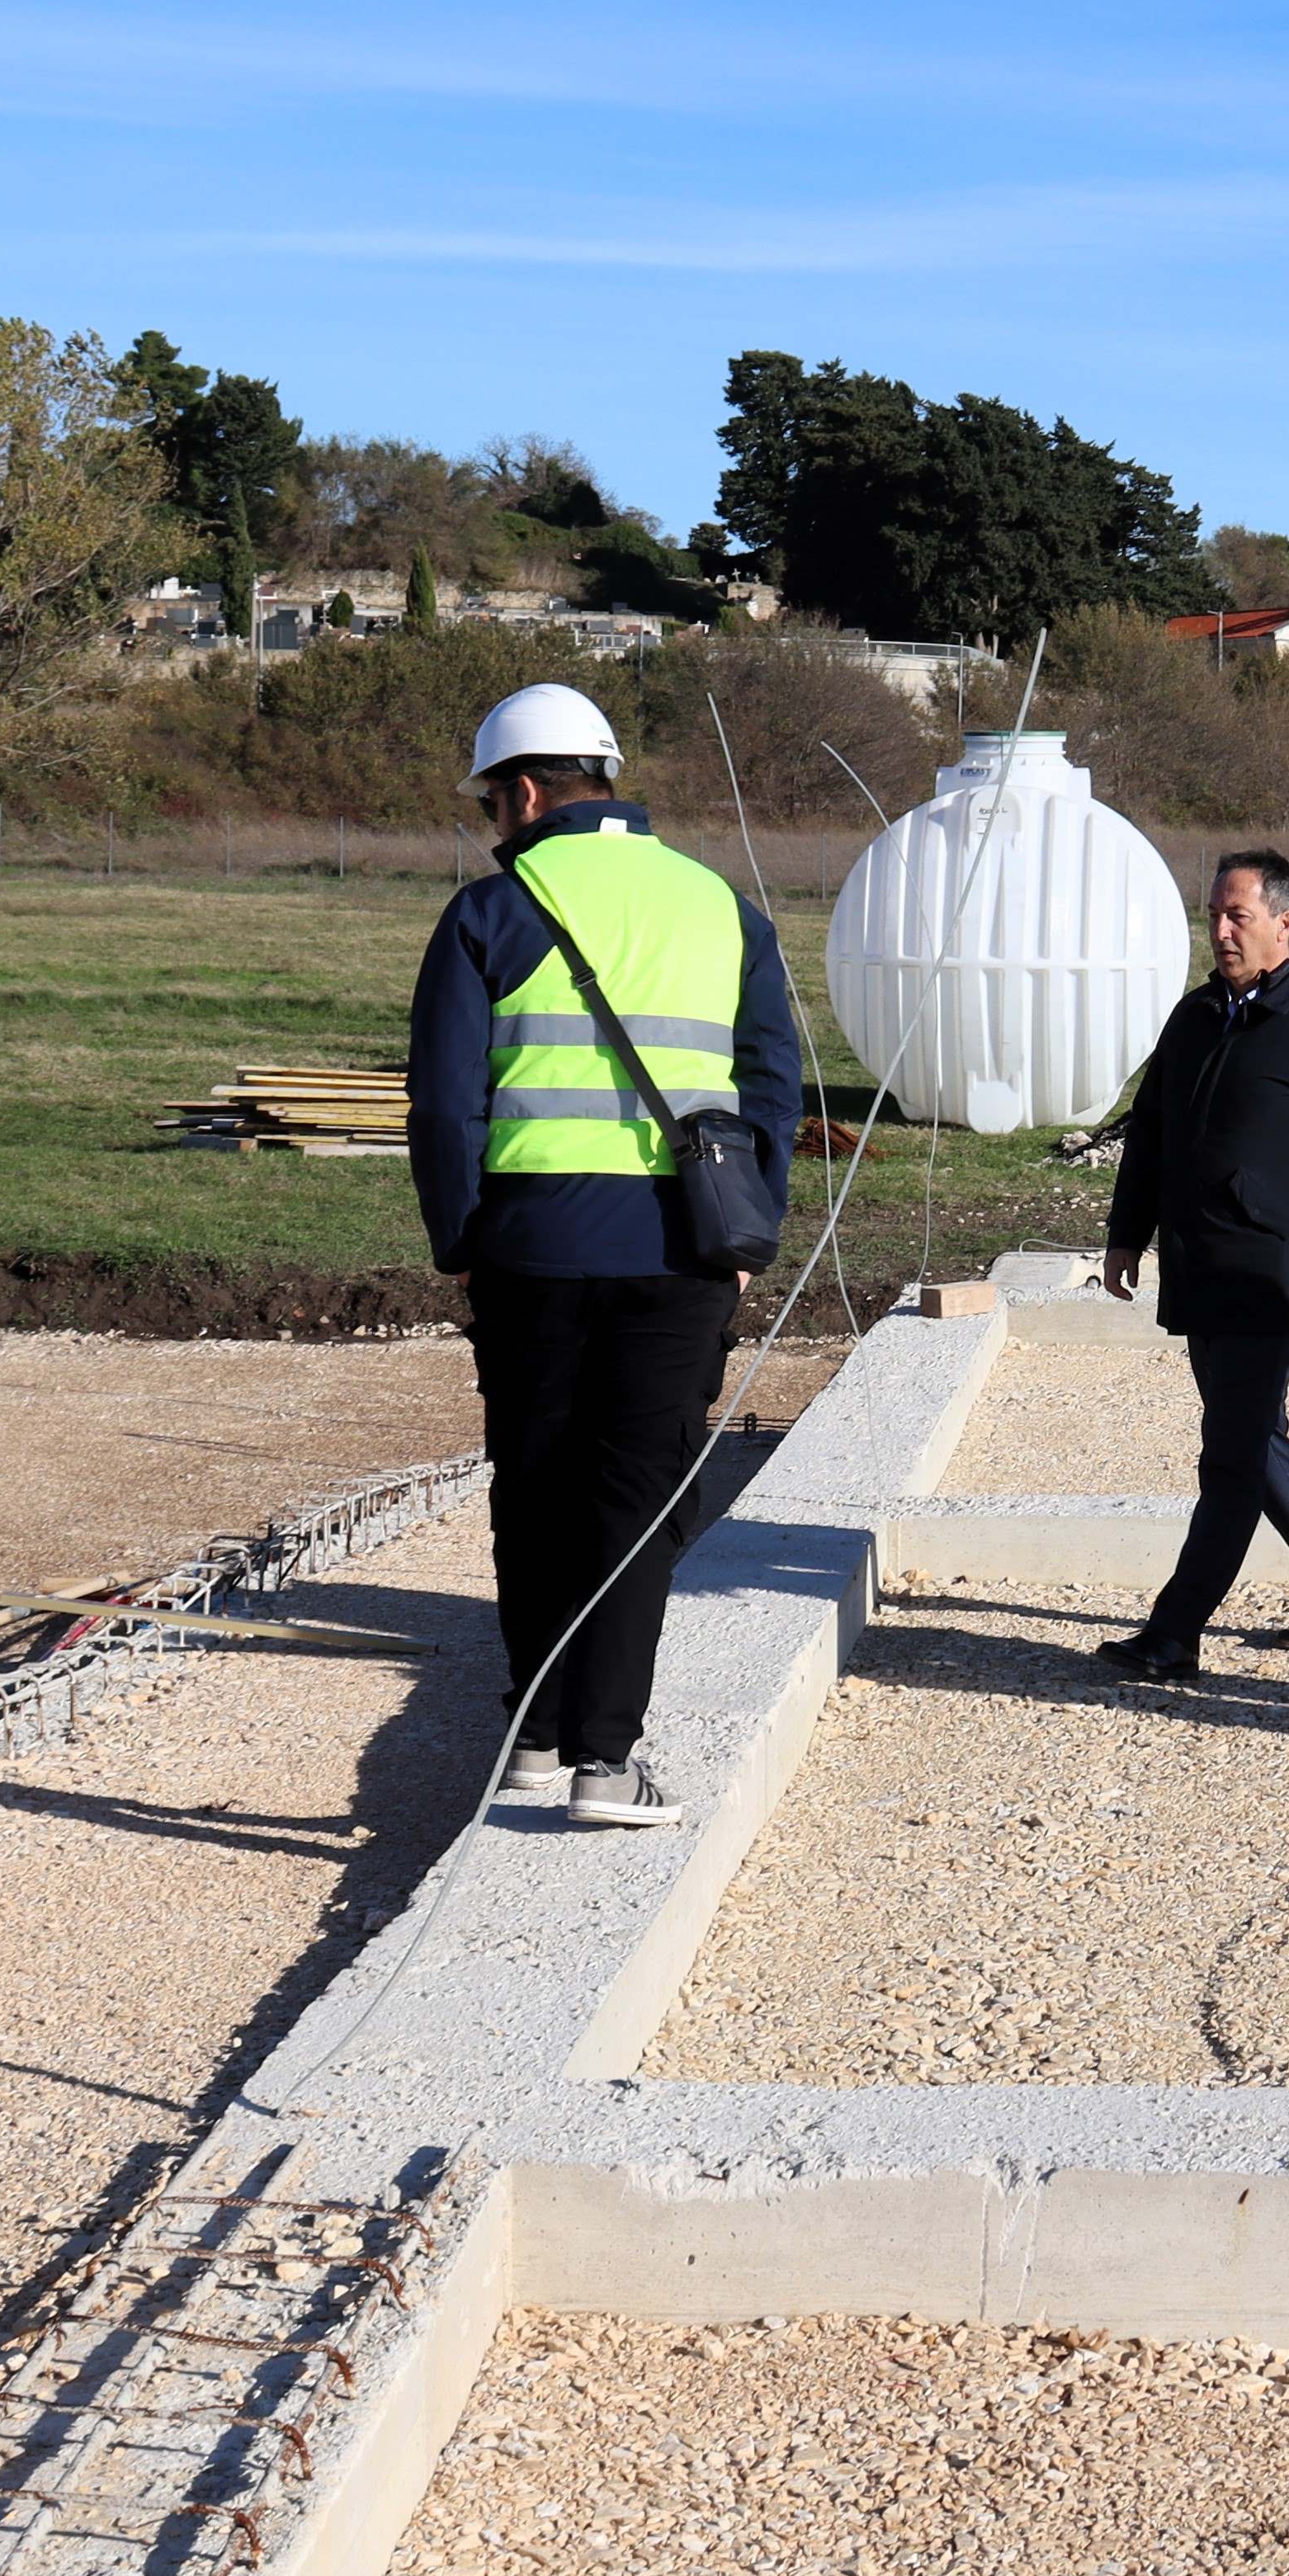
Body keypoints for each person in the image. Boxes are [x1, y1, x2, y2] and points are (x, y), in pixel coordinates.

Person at [409, 682, 801, 1831]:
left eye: (494, 799)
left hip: (529, 1245)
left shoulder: (489, 911)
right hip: (682, 1247)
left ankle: (532, 1736)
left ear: (525, 789)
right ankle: (605, 1762)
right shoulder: (720, 905)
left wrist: (461, 1242)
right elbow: (771, 1084)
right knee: (635, 1501)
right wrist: (748, 1230)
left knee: (531, 1490)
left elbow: (442, 1108)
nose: (494, 819)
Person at [1093, 849, 1289, 1680]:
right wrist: (1127, 1235)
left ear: (1283, 925)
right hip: (1198, 1269)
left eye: (1237, 916)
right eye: (1215, 914)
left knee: (1228, 1455)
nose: (1220, 930)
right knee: (1252, 1433)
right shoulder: (1193, 1017)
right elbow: (1149, 1133)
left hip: (1269, 1276)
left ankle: (1173, 1631)